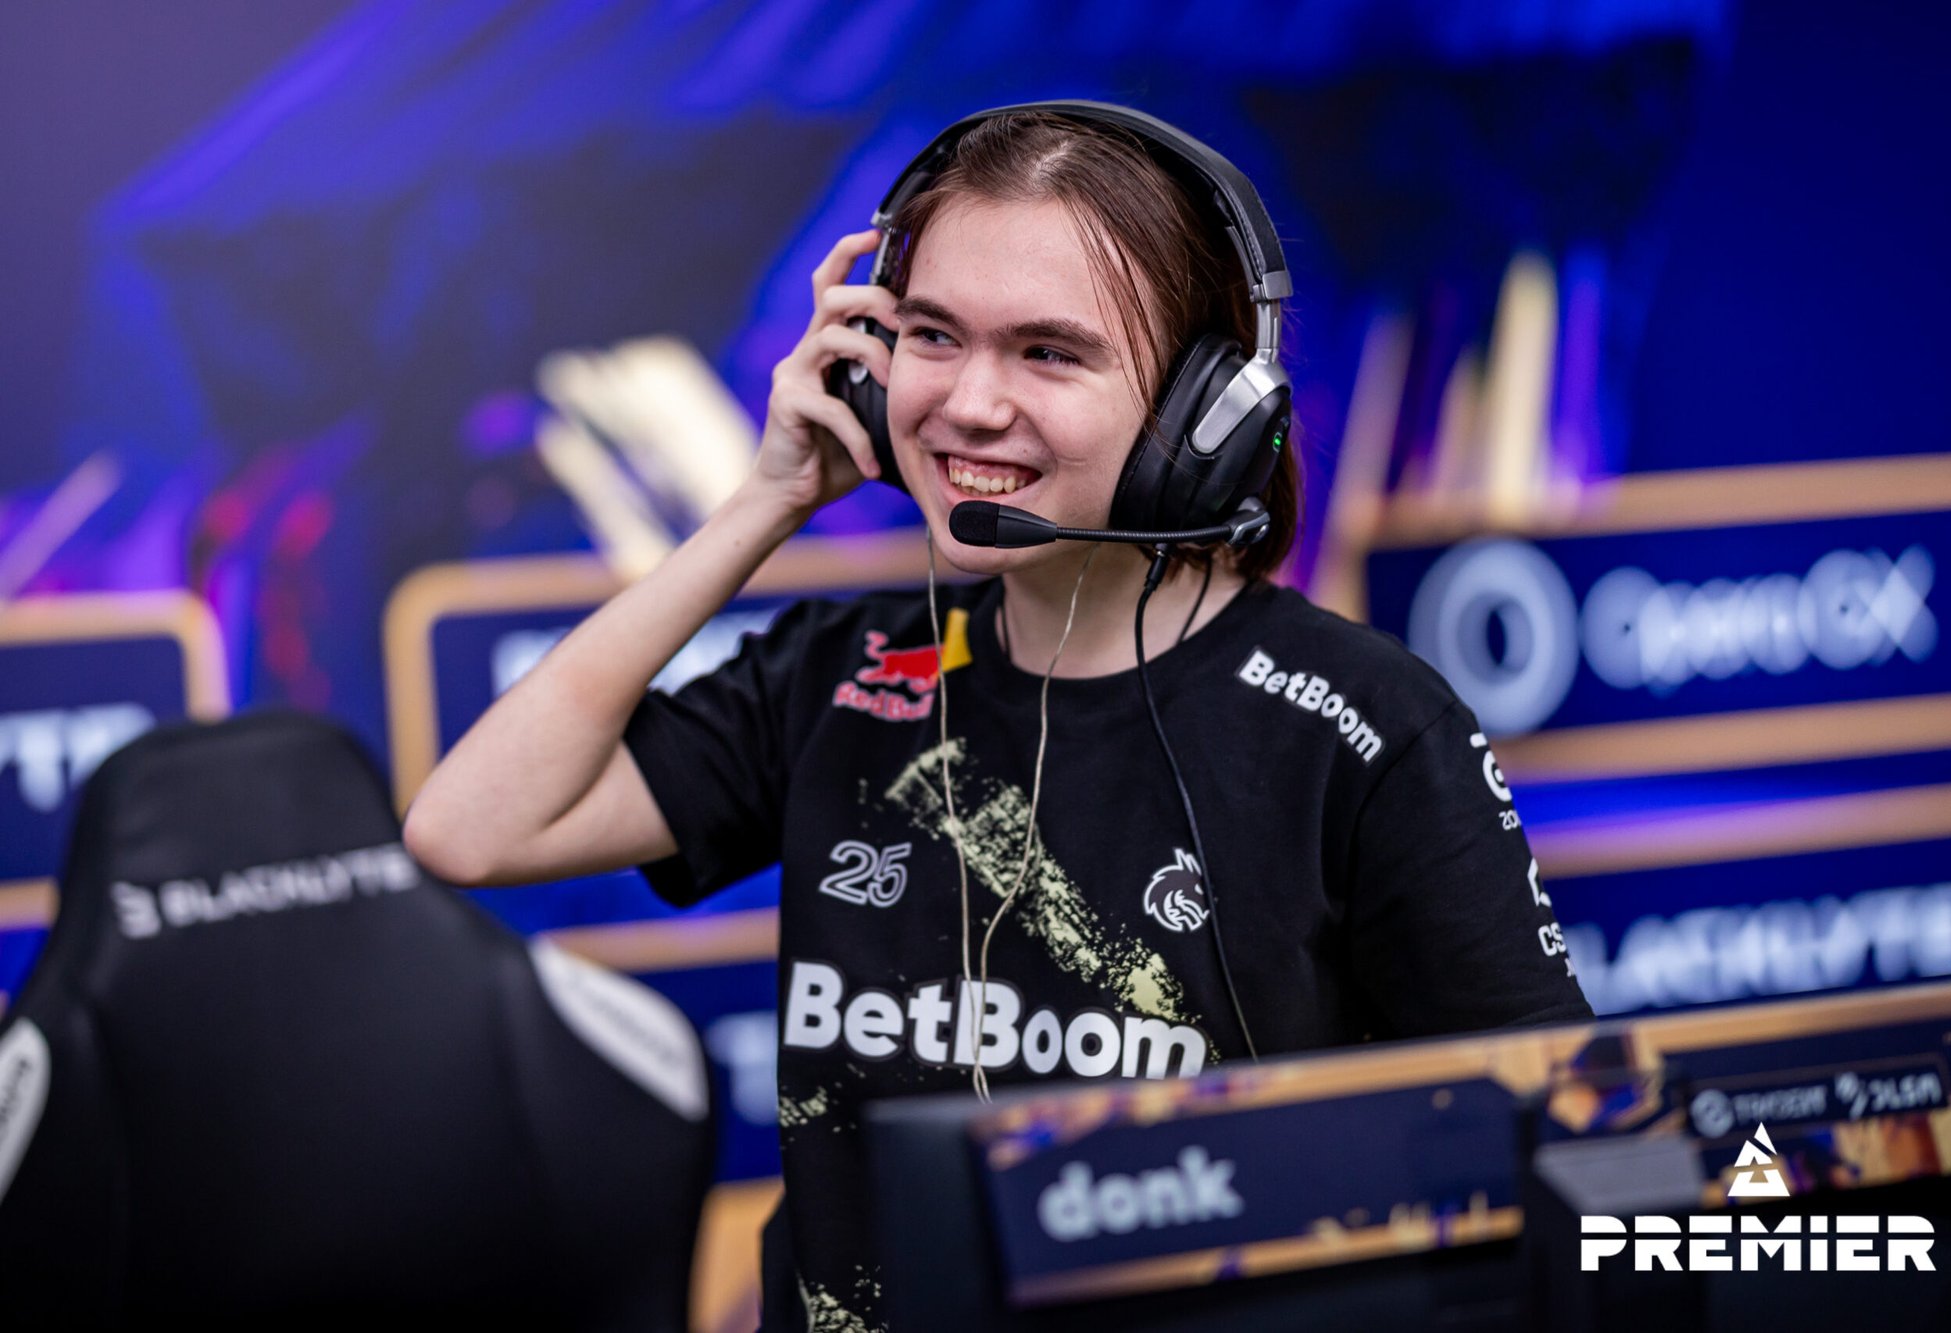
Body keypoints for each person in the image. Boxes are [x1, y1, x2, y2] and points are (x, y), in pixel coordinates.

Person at [405, 103, 1593, 1333]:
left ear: (1207, 408)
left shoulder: (1363, 727)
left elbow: (1568, 1139)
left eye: (1047, 353)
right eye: (931, 335)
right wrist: (763, 503)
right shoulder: (846, 668)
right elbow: (470, 828)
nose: (969, 405)